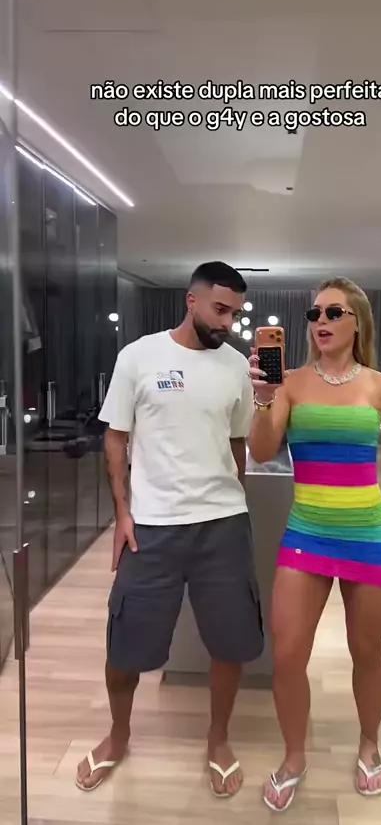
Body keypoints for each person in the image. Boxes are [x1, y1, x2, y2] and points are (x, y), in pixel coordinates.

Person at [76, 261, 264, 798]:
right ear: (192, 300)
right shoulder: (139, 356)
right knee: (125, 644)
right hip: (152, 528)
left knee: (230, 641)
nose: (228, 321)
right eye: (220, 309)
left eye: (235, 313)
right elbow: (116, 438)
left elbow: (237, 443)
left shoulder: (235, 367)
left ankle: (218, 739)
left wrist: (236, 499)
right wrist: (123, 512)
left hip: (222, 526)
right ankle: (118, 735)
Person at [248, 277, 381, 812]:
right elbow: (261, 450)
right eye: (314, 313)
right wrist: (263, 400)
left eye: (333, 312)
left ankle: (370, 744)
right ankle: (294, 757)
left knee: (366, 651)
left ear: (357, 323)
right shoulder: (289, 384)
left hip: (368, 535)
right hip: (306, 533)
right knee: (285, 655)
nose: (320, 321)